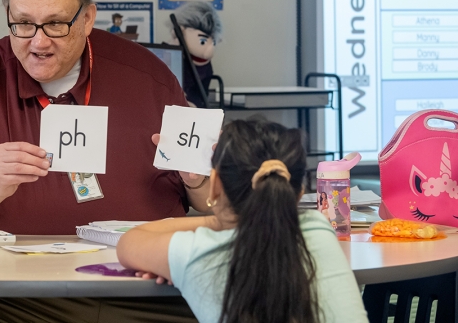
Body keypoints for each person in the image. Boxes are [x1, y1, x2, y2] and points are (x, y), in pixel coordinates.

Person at [0, 0, 209, 321]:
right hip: (11, 294)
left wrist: (198, 180)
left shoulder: (149, 77)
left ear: (87, 18)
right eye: (23, 24)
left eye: (55, 24)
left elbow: (210, 202)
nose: (38, 42)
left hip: (142, 289)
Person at [117, 119, 368, 323]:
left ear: (214, 185)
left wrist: (219, 225)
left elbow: (130, 242)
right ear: (299, 193)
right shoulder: (318, 227)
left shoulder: (199, 251)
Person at [171, 1, 222, 108]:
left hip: (195, 105)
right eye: (202, 41)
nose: (210, 48)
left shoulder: (203, 65)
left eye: (213, 42)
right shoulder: (174, 56)